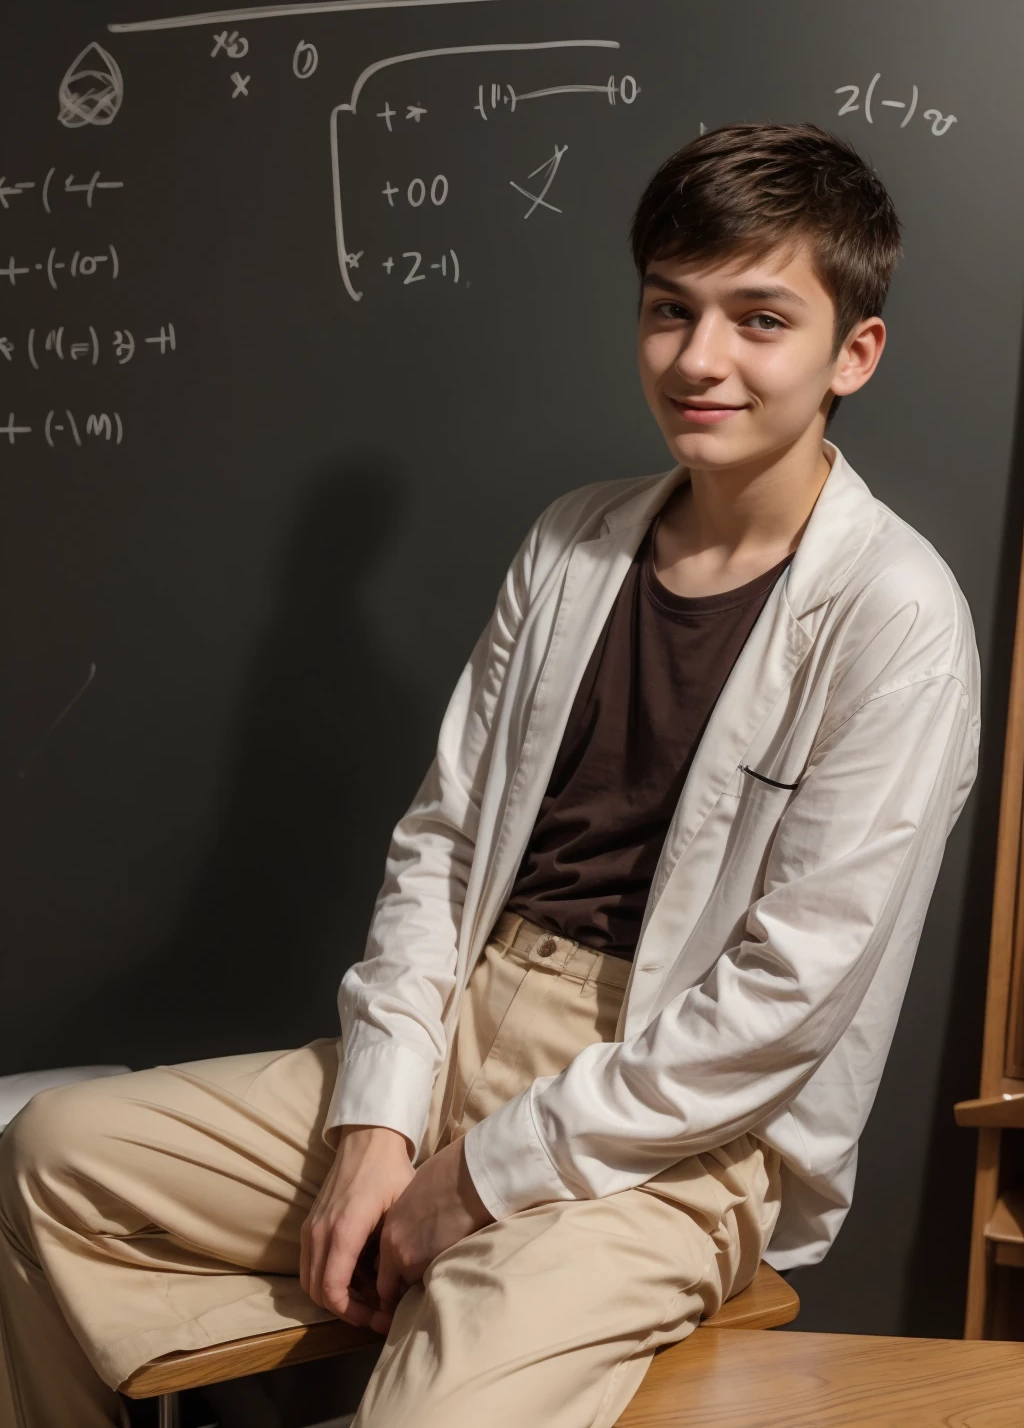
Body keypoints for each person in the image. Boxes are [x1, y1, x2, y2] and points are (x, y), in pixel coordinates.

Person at [0, 122, 981, 1428]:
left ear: (851, 352)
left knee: (428, 1413)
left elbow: (782, 1009)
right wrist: (380, 1125)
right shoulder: (572, 541)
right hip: (469, 1010)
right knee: (53, 1159)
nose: (700, 359)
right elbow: (444, 844)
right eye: (669, 311)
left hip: (677, 1136)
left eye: (759, 319)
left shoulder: (897, 613)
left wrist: (481, 1177)